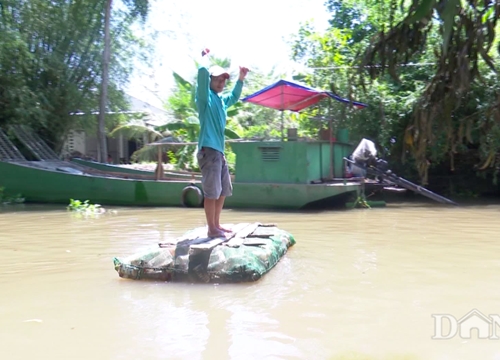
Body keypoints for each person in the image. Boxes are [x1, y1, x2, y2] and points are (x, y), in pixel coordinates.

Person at [195, 48, 249, 238]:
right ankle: (212, 229)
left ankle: (217, 224)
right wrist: (205, 58)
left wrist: (241, 78)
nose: (221, 82)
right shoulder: (205, 99)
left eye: (223, 80)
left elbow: (234, 96)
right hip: (208, 151)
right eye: (217, 79)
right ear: (210, 81)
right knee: (212, 192)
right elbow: (202, 74)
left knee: (223, 189)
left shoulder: (221, 100)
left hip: (218, 152)